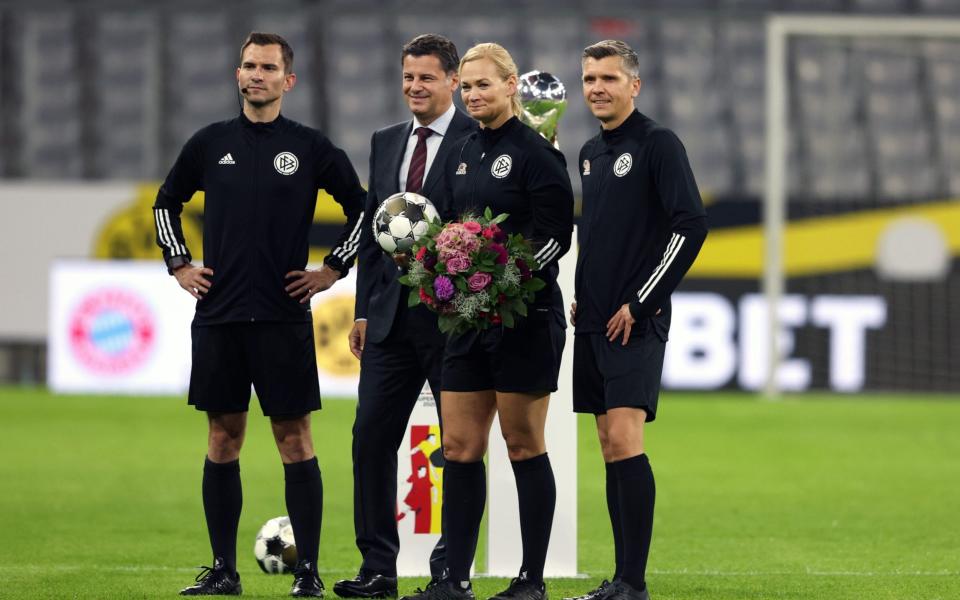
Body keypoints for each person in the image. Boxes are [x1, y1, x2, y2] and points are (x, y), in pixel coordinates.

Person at [153, 32, 366, 597]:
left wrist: (333, 269)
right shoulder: (209, 143)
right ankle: (223, 570)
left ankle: (309, 573)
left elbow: (363, 210)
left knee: (294, 440)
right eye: (248, 65)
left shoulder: (311, 146)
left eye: (268, 67)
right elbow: (165, 203)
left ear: (287, 80)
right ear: (237, 74)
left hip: (282, 316)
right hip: (220, 316)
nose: (255, 75)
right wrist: (178, 263)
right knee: (223, 439)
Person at [404, 43, 574, 600]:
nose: (475, 95)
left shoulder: (537, 153)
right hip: (467, 320)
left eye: (485, 85)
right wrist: (437, 270)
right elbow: (450, 229)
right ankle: (453, 578)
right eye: (469, 87)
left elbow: (556, 238)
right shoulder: (460, 150)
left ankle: (531, 579)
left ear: (511, 86)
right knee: (458, 446)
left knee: (523, 444)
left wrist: (503, 279)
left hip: (525, 318)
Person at [335, 34, 476, 600]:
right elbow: (375, 229)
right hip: (390, 321)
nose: (415, 87)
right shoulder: (386, 140)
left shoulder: (477, 137)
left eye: (426, 78)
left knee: (460, 449)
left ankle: (451, 571)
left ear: (453, 83)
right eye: (408, 78)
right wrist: (364, 310)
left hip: (452, 323)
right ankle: (378, 569)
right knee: (370, 439)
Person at [567, 41, 708, 600]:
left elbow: (689, 225)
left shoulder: (657, 144)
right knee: (608, 443)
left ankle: (633, 582)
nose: (596, 88)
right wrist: (584, 294)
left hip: (635, 321)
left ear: (635, 85)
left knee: (625, 439)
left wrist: (642, 301)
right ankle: (620, 579)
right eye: (588, 79)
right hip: (594, 320)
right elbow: (600, 237)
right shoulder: (589, 152)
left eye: (607, 78)